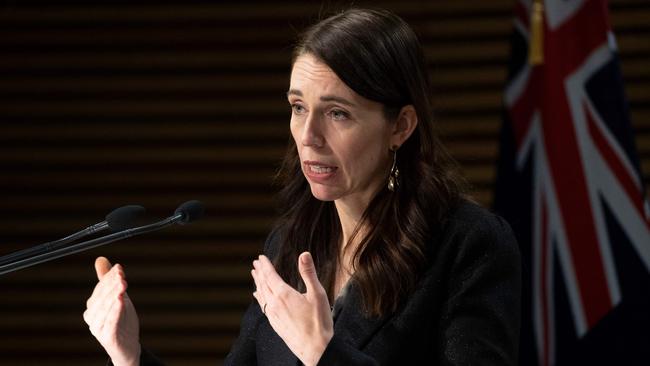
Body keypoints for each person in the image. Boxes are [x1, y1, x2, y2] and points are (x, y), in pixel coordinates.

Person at [83, 8, 521, 366]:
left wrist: (325, 356)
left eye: (337, 113)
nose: (308, 134)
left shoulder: (467, 243)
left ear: (400, 126)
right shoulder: (291, 243)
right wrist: (132, 356)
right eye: (297, 107)